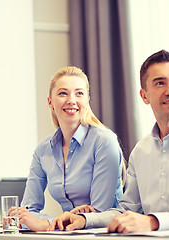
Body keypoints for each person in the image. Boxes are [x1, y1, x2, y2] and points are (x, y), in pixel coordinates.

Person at [48, 50, 169, 233]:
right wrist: (84, 219)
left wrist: (153, 222)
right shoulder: (141, 150)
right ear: (144, 96)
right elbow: (125, 210)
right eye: (160, 83)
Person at [16, 66, 124, 231]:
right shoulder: (44, 149)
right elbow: (28, 211)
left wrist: (46, 223)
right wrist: (54, 221)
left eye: (79, 93)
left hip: (104, 235)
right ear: (50, 102)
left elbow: (99, 213)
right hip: (67, 234)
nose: (71, 100)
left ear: (87, 99)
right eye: (63, 93)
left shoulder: (104, 142)